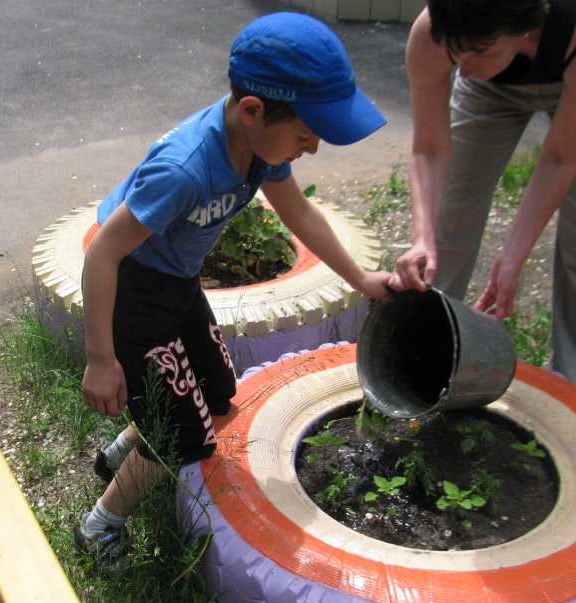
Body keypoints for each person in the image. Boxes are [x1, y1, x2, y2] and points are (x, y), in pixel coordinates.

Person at [75, 12, 394, 569]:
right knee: (185, 435)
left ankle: (121, 450)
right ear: (252, 110)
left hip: (178, 285)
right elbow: (104, 251)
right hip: (134, 291)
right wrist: (101, 359)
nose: (313, 148)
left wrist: (363, 280)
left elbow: (298, 212)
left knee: (219, 392)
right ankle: (101, 521)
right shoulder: (185, 169)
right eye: (305, 134)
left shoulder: (259, 146)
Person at [389, 0, 576, 402]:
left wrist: (513, 256)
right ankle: (419, 368)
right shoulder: (438, 34)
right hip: (493, 87)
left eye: (478, 54)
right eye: (456, 54)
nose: (462, 70)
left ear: (526, 25)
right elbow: (430, 149)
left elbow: (560, 157)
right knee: (446, 227)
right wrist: (422, 238)